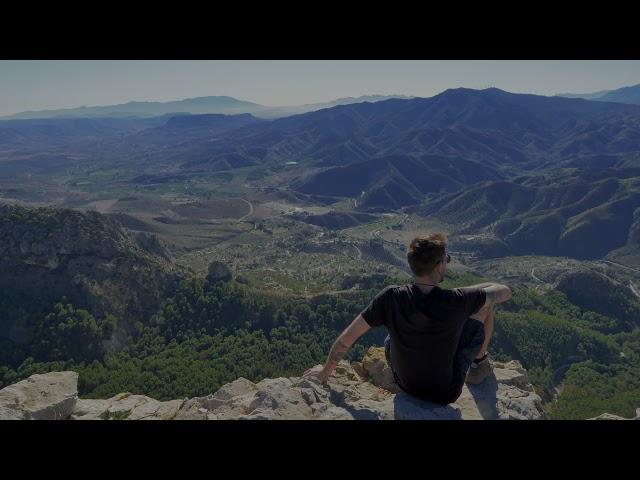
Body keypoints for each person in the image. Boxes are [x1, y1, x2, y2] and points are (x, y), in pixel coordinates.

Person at [303, 233, 512, 405]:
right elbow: (504, 291)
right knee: (485, 307)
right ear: (439, 266)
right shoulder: (456, 301)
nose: (446, 264)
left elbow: (347, 338)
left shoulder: (390, 296)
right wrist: (464, 293)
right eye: (446, 259)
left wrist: (325, 372)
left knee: (390, 336)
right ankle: (478, 365)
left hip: (405, 384)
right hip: (444, 393)